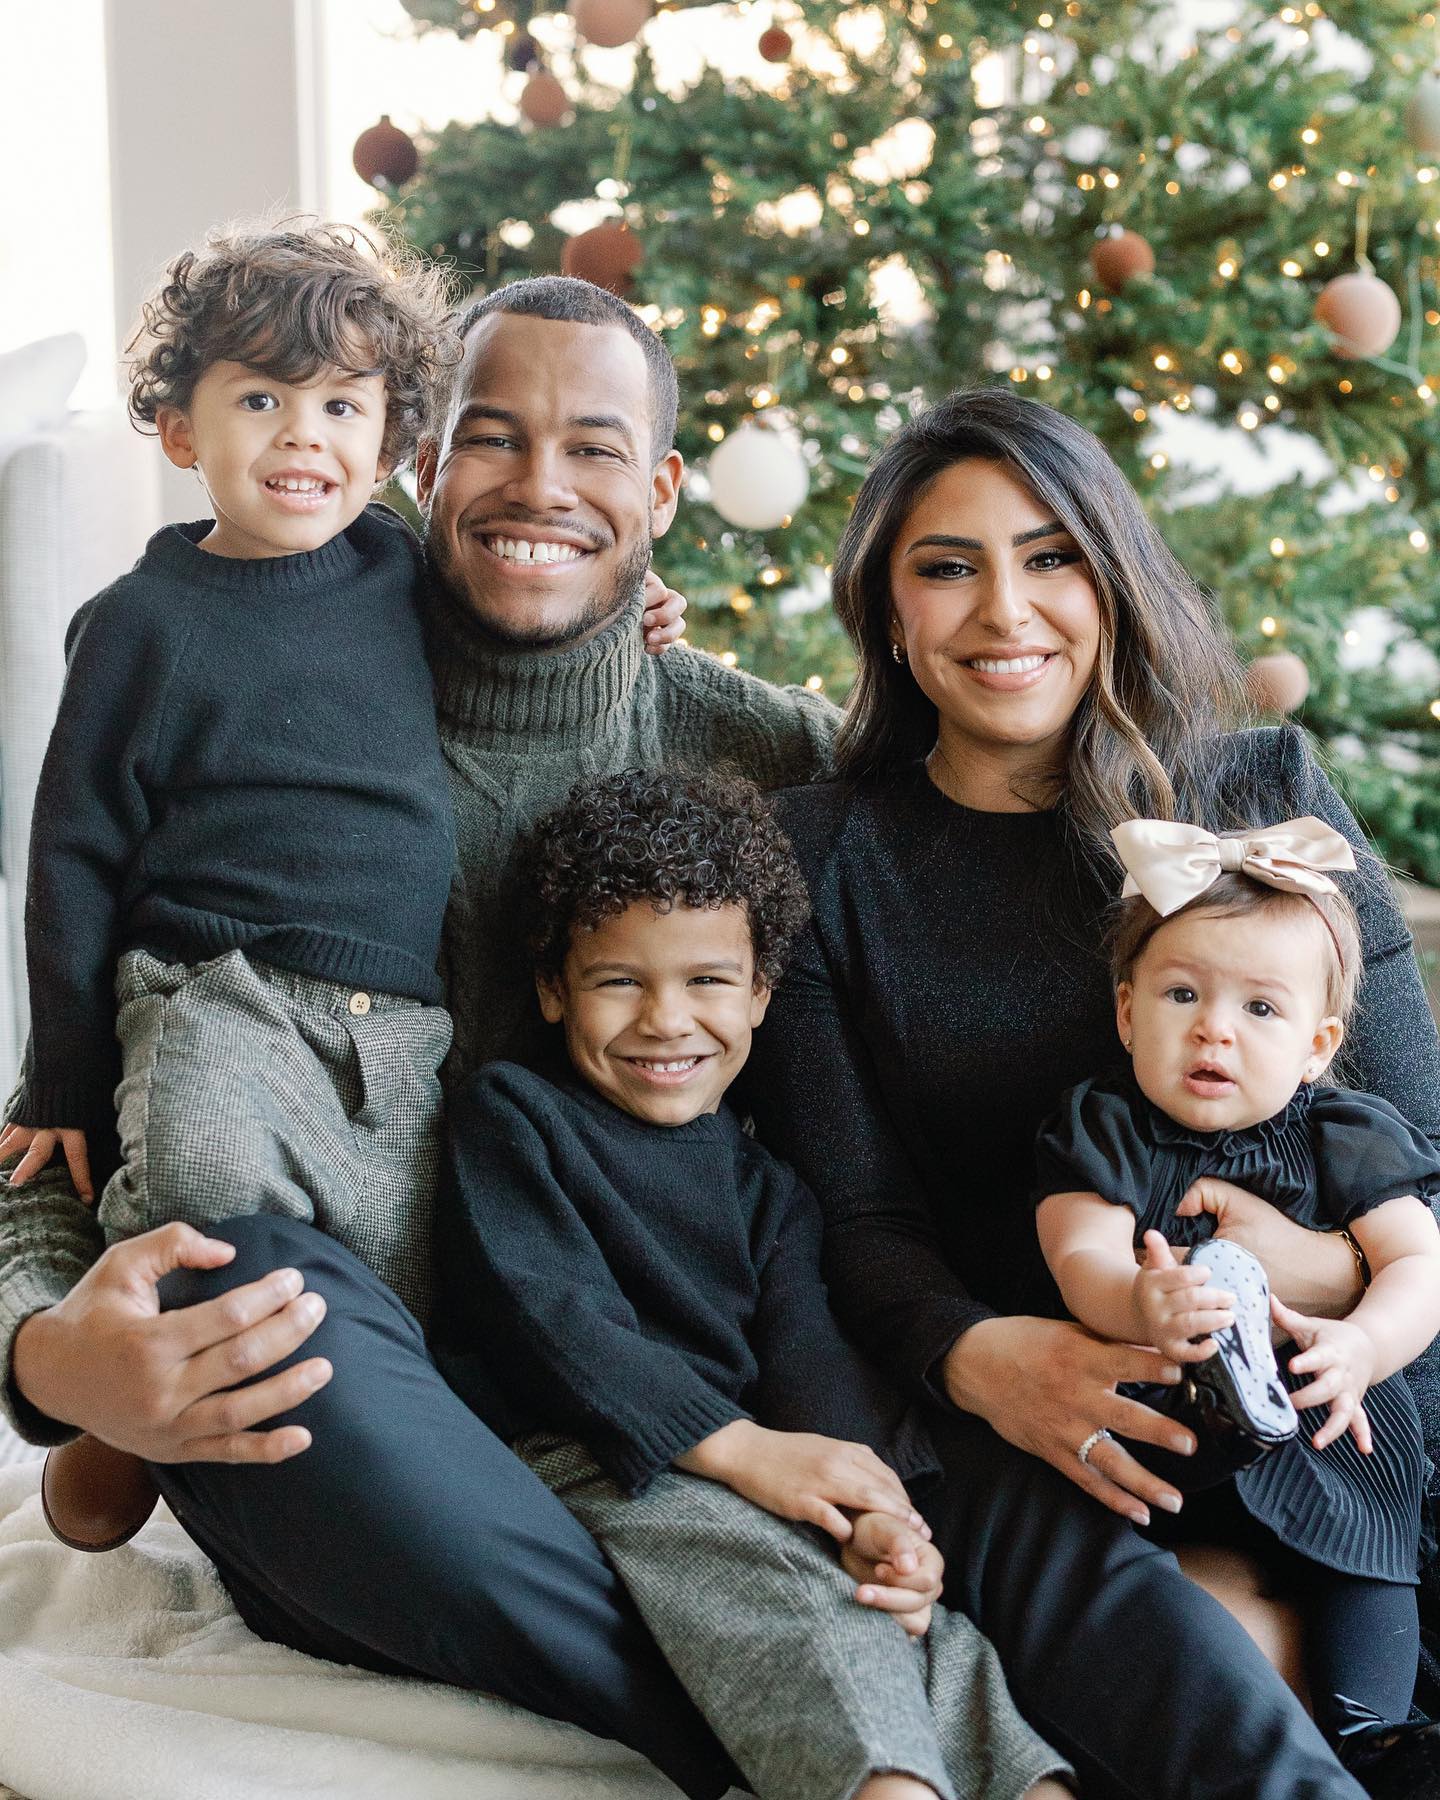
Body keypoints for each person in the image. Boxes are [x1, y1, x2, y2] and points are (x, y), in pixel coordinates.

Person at [0, 274, 834, 1797]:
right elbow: (78, 1102)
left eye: (593, 452)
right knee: (238, 1282)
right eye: (490, 441)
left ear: (657, 494)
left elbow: (994, 838)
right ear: (425, 469)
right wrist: (54, 1361)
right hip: (354, 1429)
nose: (537, 488)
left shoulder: (749, 746)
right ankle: (781, 1720)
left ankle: (808, 1705)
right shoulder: (266, 697)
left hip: (629, 1402)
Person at [743, 385, 1440, 1797]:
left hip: (1353, 1372)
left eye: (1052, 555)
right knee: (1232, 1664)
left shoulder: (1264, 791)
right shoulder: (819, 857)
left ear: (1113, 579)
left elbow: (1420, 1151)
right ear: (887, 612)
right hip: (1061, 1417)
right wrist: (983, 1362)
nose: (1007, 609)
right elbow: (857, 1219)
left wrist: (1303, 1273)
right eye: (948, 566)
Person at [440, 767, 1072, 1800]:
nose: (665, 1020)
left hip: (751, 1467)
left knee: (937, 1637)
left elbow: (810, 1362)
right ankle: (882, 1788)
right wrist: (741, 1454)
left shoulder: (771, 1186)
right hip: (597, 1459)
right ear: (554, 988)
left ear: (762, 994)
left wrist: (874, 1518)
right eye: (617, 982)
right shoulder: (515, 1119)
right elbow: (550, 1321)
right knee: (780, 1590)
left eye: (706, 982)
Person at [1034, 819, 1440, 1793]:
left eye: (1261, 1008)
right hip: (1175, 1459)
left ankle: (1384, 1746)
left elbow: (1420, 1266)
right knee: (1152, 1632)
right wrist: (1140, 1300)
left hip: (1339, 1451)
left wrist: (1363, 1347)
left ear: (1317, 1044)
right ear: (1128, 1013)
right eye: (1184, 995)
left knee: (1368, 1642)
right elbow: (1078, 1251)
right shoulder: (1105, 1127)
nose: (1215, 1027)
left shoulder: (1348, 1135)